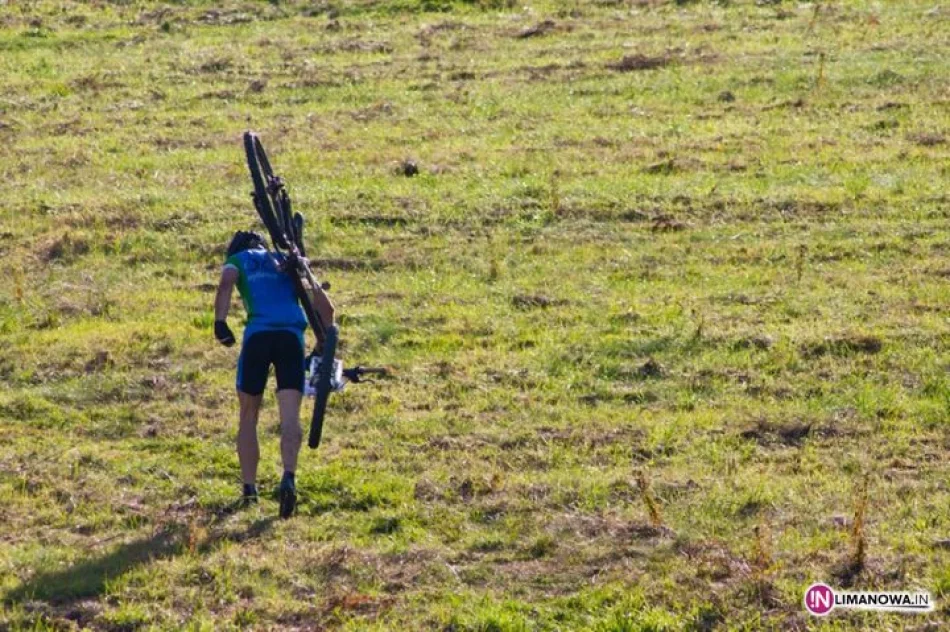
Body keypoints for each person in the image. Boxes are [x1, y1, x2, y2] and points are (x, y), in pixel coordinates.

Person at [213, 230, 334, 519]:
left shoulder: (238, 260)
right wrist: (325, 342)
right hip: (291, 339)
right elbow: (326, 308)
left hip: (258, 338)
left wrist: (220, 322)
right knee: (290, 415)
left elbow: (226, 284)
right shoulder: (287, 260)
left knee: (248, 415)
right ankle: (289, 476)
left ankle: (249, 489)